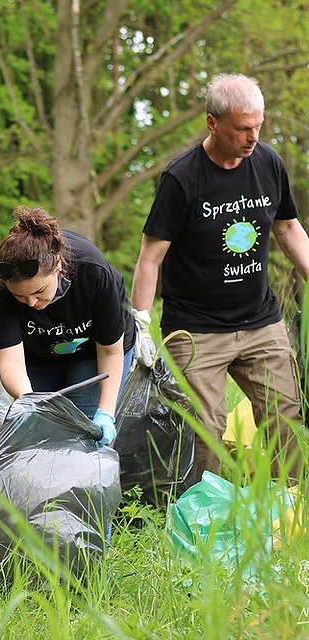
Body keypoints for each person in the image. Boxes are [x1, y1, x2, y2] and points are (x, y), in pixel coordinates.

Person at [131, 73, 308, 483]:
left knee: (287, 421)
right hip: (196, 330)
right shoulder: (182, 178)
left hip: (260, 322)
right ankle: (201, 515)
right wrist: (140, 323)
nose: (253, 137)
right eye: (243, 128)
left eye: (258, 126)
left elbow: (287, 229)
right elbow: (151, 256)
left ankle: (289, 508)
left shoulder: (267, 163)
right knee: (203, 431)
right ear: (212, 123)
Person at [0, 206, 135, 446]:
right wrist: (29, 401)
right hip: (38, 355)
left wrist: (106, 413)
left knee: (81, 433)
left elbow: (110, 351)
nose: (31, 303)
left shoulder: (91, 270)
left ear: (58, 263)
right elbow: (9, 358)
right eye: (20, 297)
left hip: (93, 352)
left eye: (38, 291)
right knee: (39, 434)